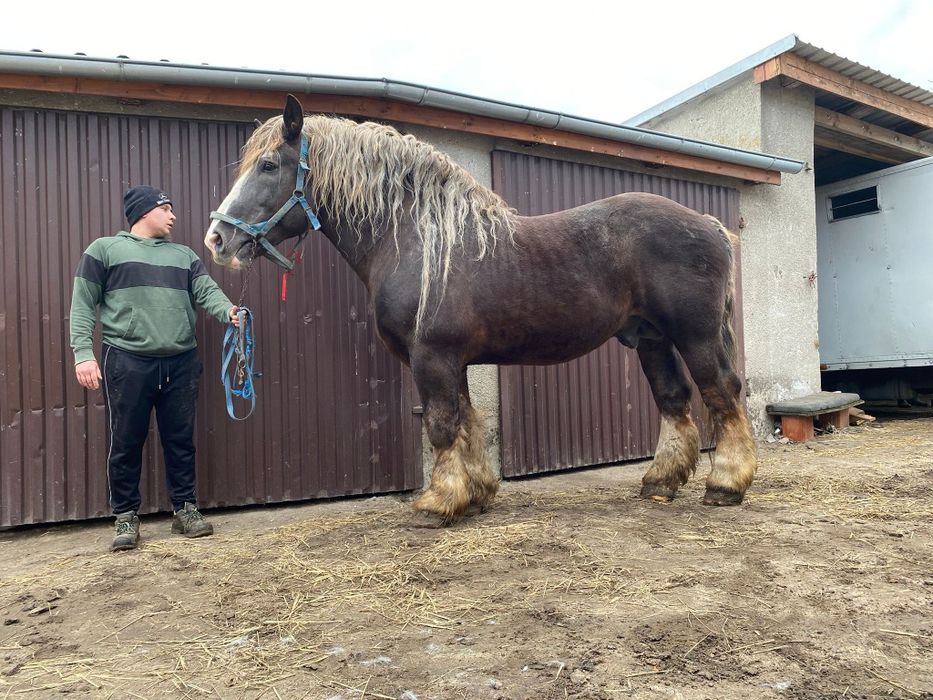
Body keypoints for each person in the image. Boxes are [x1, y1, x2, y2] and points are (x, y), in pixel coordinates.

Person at [70, 186, 239, 552]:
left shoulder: (184, 255)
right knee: (126, 440)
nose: (173, 216)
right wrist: (83, 353)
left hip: (180, 360)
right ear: (143, 212)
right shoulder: (104, 250)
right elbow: (83, 303)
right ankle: (126, 516)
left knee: (180, 440)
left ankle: (185, 510)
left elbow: (206, 291)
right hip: (127, 359)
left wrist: (229, 312)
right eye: (165, 208)